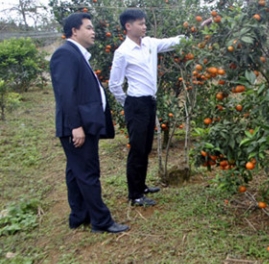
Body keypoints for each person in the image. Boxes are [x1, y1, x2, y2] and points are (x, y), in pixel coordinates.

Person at [50, 13, 129, 233]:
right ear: (74, 31)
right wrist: (76, 126)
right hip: (77, 127)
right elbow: (65, 94)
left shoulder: (76, 54)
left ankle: (79, 216)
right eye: (89, 28)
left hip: (82, 125)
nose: (94, 32)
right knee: (88, 173)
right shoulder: (65, 54)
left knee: (76, 172)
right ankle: (101, 221)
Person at [109, 8, 185, 206]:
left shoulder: (150, 43)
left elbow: (173, 42)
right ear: (128, 26)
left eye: (144, 23)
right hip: (136, 103)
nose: (144, 26)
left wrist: (194, 32)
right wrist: (127, 103)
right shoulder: (122, 53)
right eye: (140, 23)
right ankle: (135, 195)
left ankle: (141, 185)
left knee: (145, 147)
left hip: (150, 101)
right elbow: (114, 84)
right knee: (137, 148)